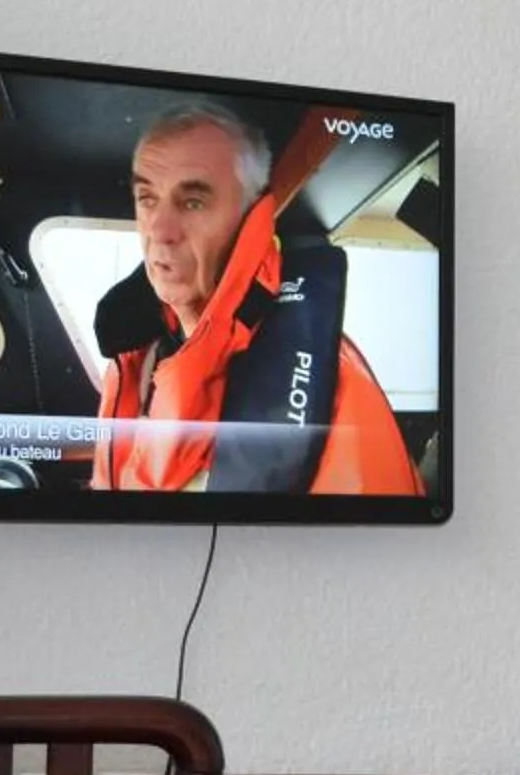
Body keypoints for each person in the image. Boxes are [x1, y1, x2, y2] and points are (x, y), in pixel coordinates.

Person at [91, 100, 421, 495]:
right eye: (147, 199)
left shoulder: (333, 386)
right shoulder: (132, 359)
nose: (160, 230)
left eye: (193, 201)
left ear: (251, 217)